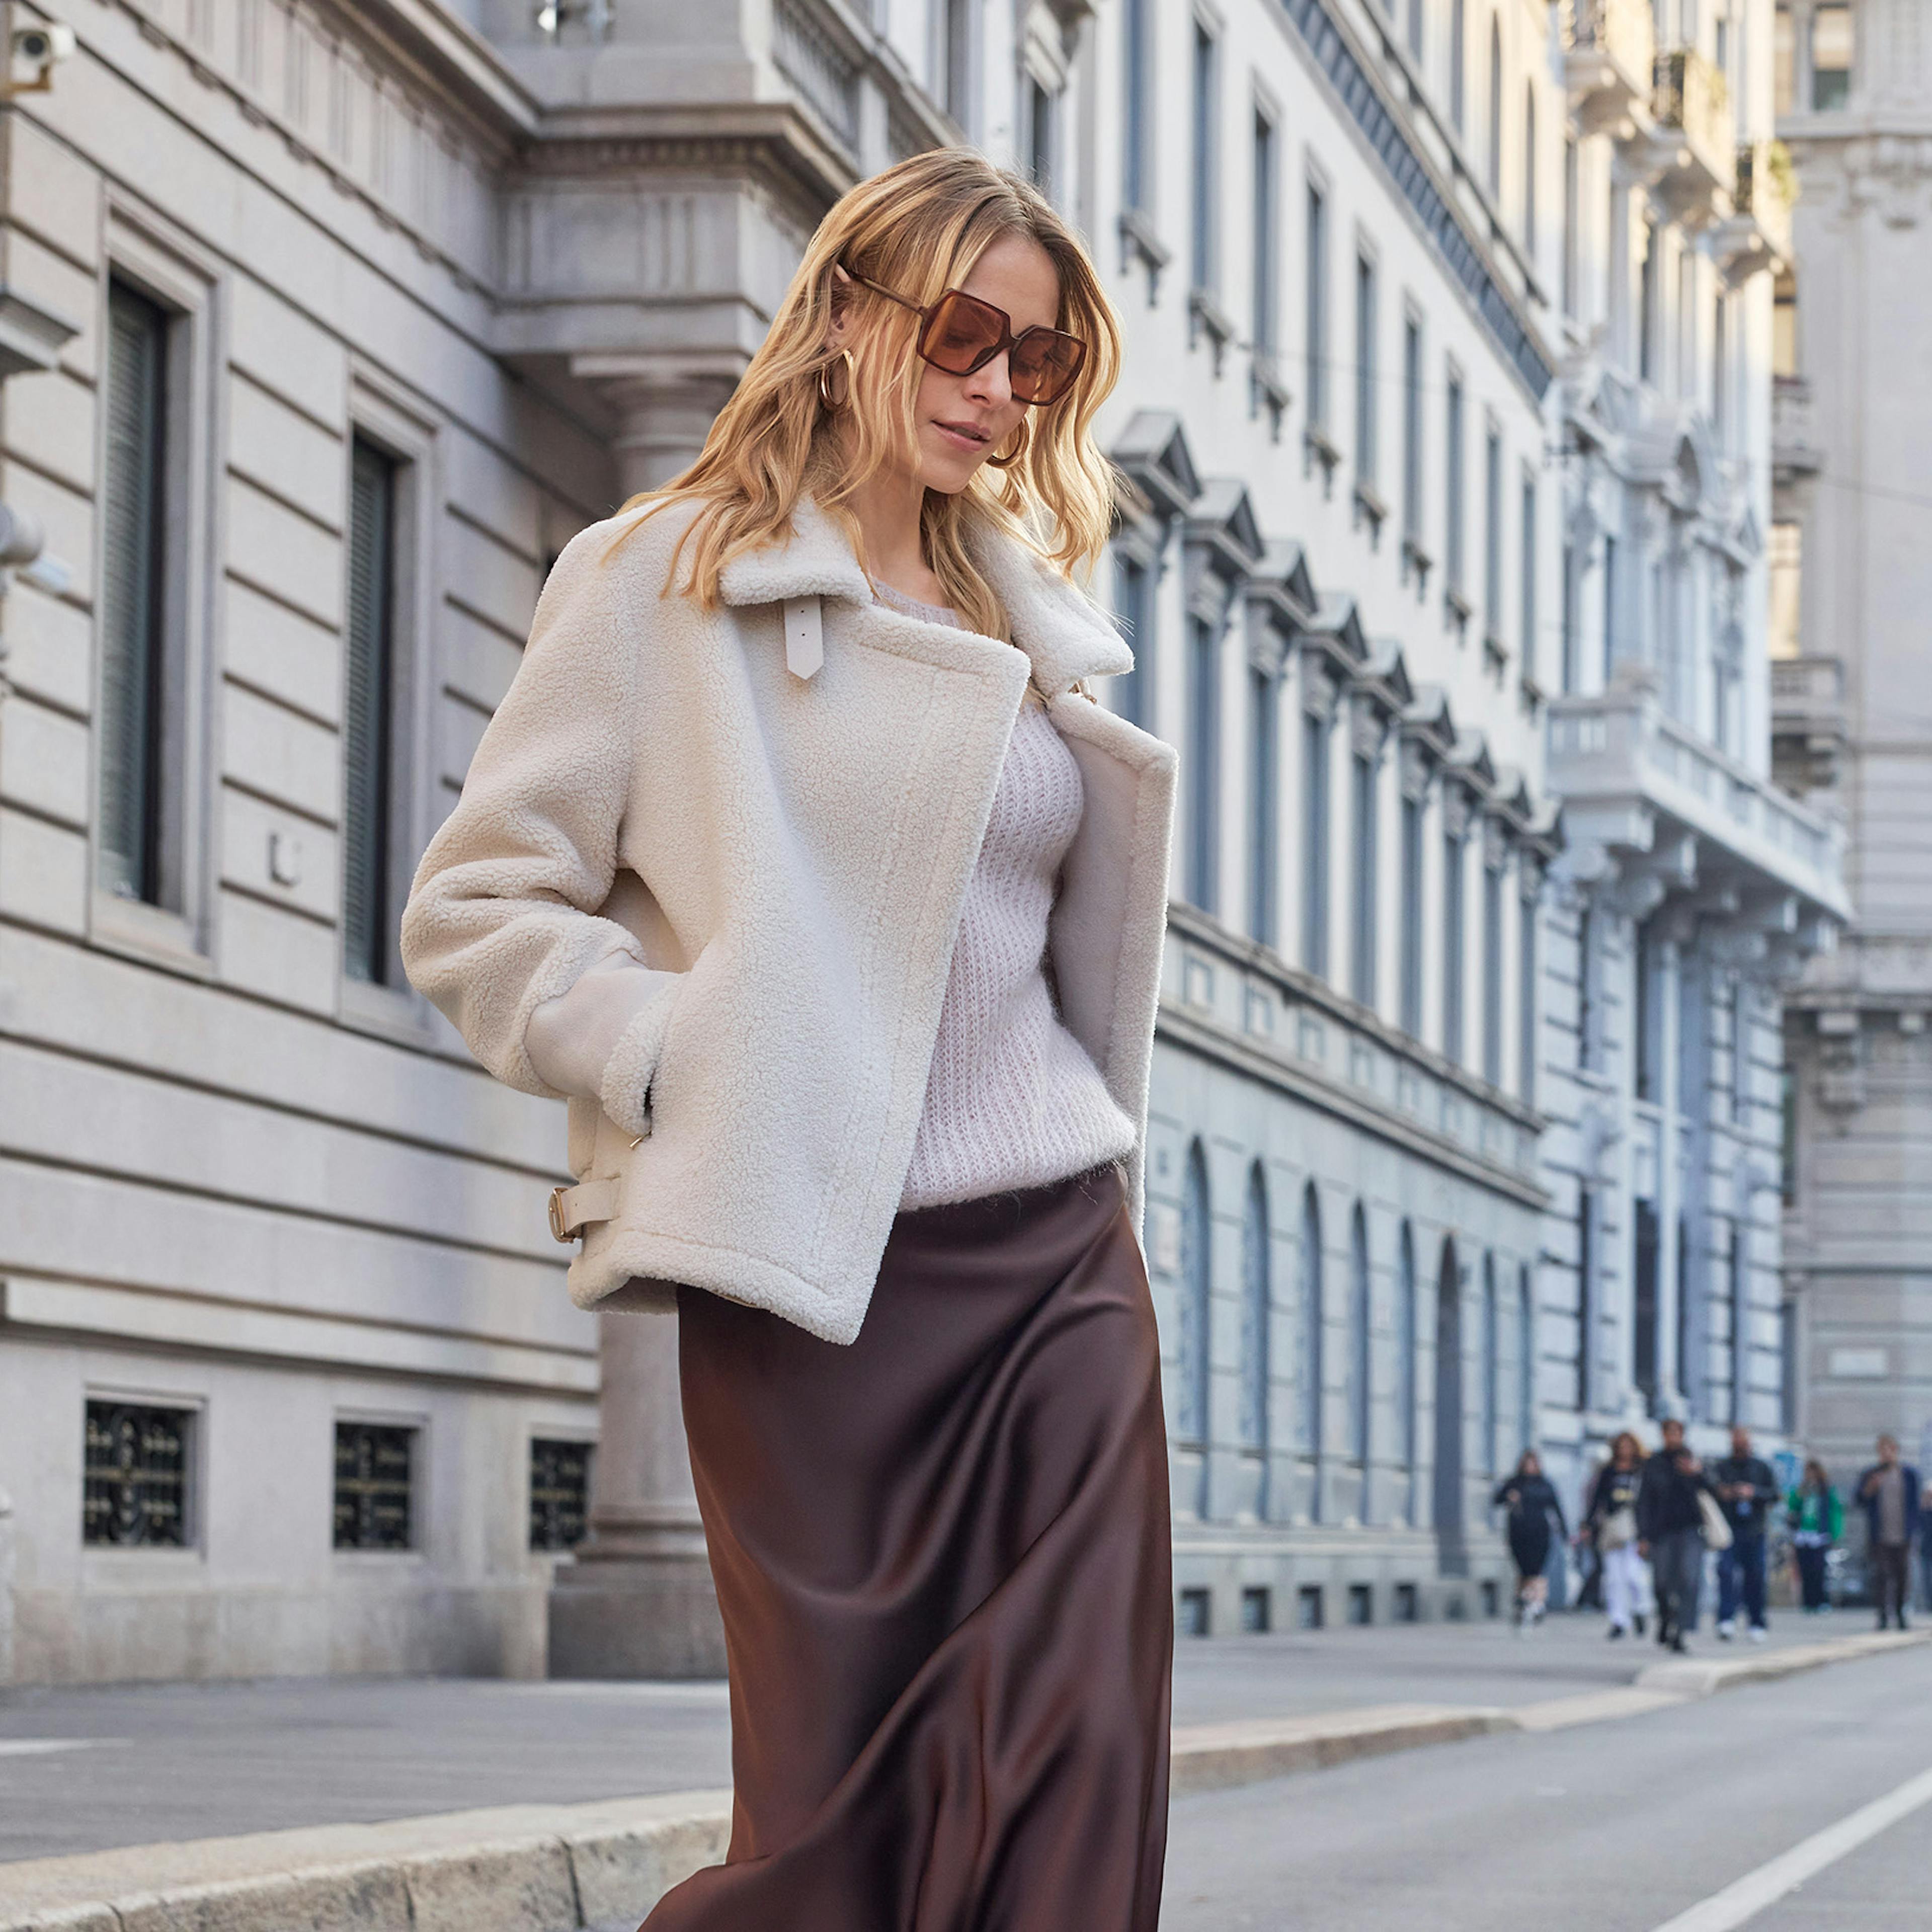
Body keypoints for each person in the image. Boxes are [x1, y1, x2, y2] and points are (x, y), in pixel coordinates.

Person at [399, 150, 1177, 1931]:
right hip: (811, 1287)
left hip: (1055, 1260)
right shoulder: (658, 581)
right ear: (842, 318)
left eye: (1038, 361)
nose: (997, 389)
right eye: (964, 336)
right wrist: (681, 1060)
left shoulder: (1021, 622)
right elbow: (477, 906)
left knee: (1078, 1764)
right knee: (839, 1833)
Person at [1637, 1416, 1714, 1654]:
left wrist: (1697, 1473)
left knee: (1689, 1580)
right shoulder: (1654, 1463)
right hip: (1662, 1532)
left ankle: (1681, 1632)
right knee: (1661, 1582)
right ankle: (1665, 1618)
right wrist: (1643, 1536)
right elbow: (1644, 1501)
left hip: (1691, 1530)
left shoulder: (1693, 1460)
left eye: (1676, 1433)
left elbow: (1714, 1491)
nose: (1673, 1437)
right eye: (1668, 1433)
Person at [1712, 1424, 1778, 1642]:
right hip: (1728, 1529)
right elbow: (1711, 1490)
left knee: (1756, 1576)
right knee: (1726, 1573)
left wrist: (1754, 1493)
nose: (1740, 1444)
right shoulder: (1722, 1467)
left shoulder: (1760, 1467)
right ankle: (1726, 1619)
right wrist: (1726, 1493)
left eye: (1744, 1441)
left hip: (1754, 1530)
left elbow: (1774, 1495)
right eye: (1736, 1440)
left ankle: (1757, 1621)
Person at [1583, 1431, 1648, 1640]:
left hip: (1635, 1527)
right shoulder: (1608, 1472)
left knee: (1633, 1576)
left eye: (1629, 1446)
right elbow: (1597, 1500)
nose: (1625, 1450)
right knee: (1613, 1579)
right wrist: (1588, 1524)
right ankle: (1619, 1620)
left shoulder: (1642, 1471)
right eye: (1621, 1446)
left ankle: (1641, 1609)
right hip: (1612, 1527)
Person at [1493, 1451, 1568, 1631]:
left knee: (1537, 1571)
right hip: (1518, 1533)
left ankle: (1537, 1604)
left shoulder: (1545, 1485)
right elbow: (1497, 1500)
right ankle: (1523, 1604)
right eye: (1527, 1464)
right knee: (1523, 1571)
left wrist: (1565, 1533)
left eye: (1533, 1464)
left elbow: (1556, 1509)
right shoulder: (1514, 1483)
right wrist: (1508, 1497)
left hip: (1540, 1533)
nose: (1530, 1467)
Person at [1857, 1434, 1923, 1631]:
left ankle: (1901, 1613)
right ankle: (1883, 1616)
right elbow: (1858, 1500)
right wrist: (1870, 1487)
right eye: (1882, 1450)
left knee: (1903, 1575)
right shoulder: (1871, 1474)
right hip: (1880, 1534)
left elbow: (1916, 1505)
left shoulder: (1909, 1474)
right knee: (1882, 1575)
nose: (1885, 1454)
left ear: (1895, 1450)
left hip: (1903, 1533)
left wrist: (1915, 1529)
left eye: (1889, 1449)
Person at [1787, 1459, 1842, 1615]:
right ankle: (1808, 1603)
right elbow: (1792, 1506)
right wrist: (1799, 1494)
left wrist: (1835, 1533)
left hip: (1820, 1535)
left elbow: (1836, 1512)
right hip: (1803, 1535)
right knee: (1805, 1570)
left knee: (1819, 1570)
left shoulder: (1826, 1490)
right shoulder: (1802, 1490)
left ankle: (1822, 1601)